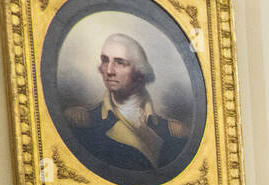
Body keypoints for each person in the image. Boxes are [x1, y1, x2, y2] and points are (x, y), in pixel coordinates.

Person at [63, 34, 189, 173]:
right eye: (105, 61)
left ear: (140, 71)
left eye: (119, 62)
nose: (109, 71)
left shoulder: (173, 131)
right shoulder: (84, 122)